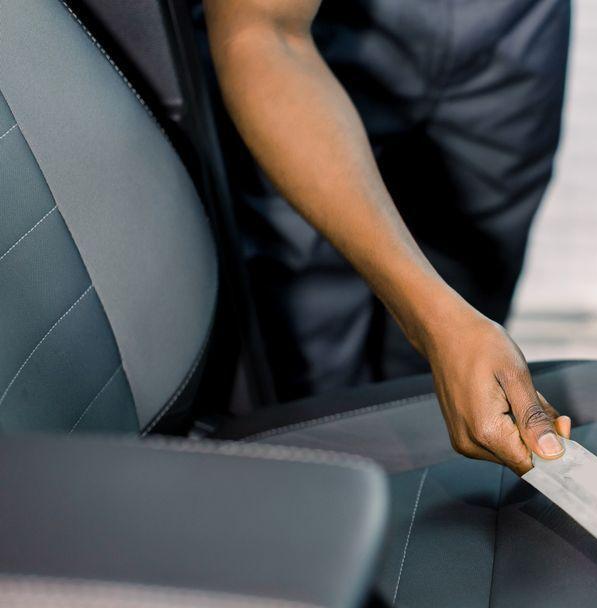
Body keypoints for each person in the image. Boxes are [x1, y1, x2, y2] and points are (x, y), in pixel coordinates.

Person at [204, 0, 571, 473]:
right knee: (315, 392)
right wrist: (437, 322)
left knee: (468, 359)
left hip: (516, 29)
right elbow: (261, 32)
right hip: (325, 35)